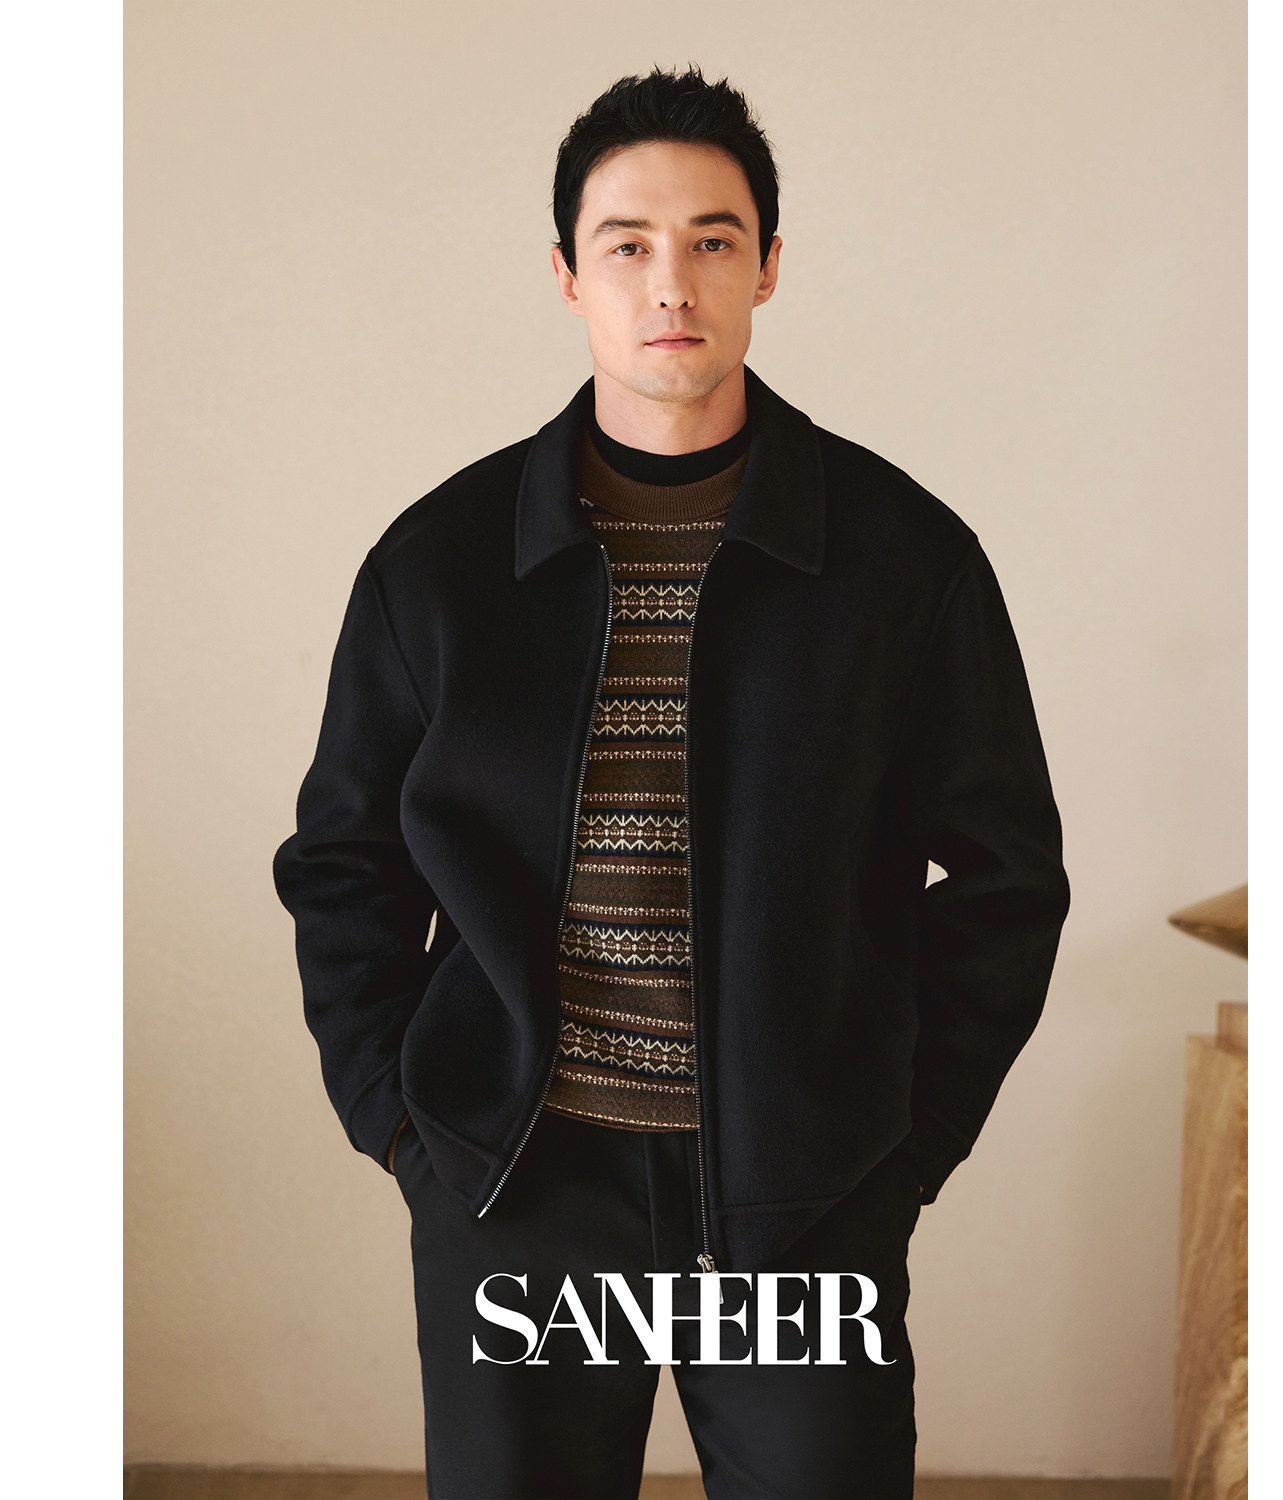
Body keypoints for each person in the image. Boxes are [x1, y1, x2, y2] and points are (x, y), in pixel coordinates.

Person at [273, 64, 1070, 1500]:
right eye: (627, 243)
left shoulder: (905, 561)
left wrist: (899, 1146)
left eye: (711, 240)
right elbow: (342, 860)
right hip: (521, 1191)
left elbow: (1009, 878)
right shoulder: (439, 566)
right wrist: (404, 1124)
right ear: (566, 274)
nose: (670, 284)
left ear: (768, 264)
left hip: (798, 1205)